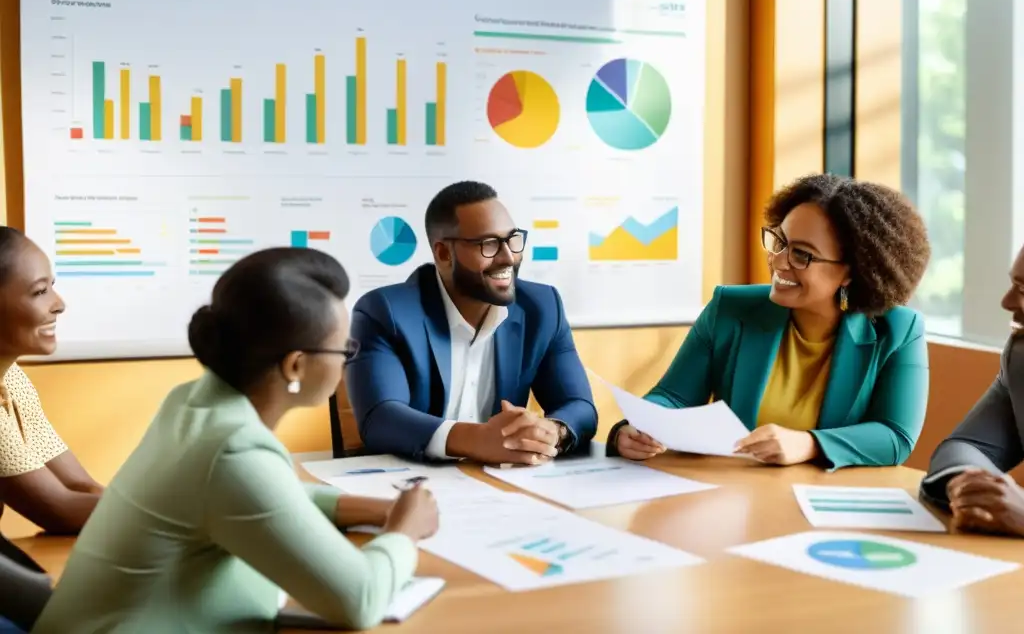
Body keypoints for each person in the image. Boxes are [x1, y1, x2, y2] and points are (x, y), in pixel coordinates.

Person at [35, 248, 439, 633]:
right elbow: (360, 600)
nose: (346, 360)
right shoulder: (233, 451)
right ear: (295, 365)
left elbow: (263, 496)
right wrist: (405, 531)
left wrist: (364, 507)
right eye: (343, 348)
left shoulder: (196, 403)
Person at [611, 173, 931, 470]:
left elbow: (895, 436)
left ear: (851, 271)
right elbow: (675, 396)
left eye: (802, 254)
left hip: (827, 503)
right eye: (779, 241)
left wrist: (809, 444)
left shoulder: (899, 330)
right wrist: (640, 426)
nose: (777, 261)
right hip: (734, 494)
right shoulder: (730, 308)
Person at [345, 181, 598, 464]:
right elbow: (380, 418)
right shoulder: (386, 312)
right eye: (488, 245)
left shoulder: (542, 307)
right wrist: (476, 440)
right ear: (442, 254)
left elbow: (580, 407)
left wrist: (553, 431)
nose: (508, 257)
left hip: (501, 483)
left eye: (512, 239)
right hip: (414, 484)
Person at [0, 227, 102, 535]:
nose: (59, 304)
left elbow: (79, 486)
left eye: (52, 287)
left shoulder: (13, 379)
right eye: (40, 291)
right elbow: (61, 510)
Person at [918, 243, 1024, 536]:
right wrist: (980, 489)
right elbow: (965, 447)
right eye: (1013, 284)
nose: (1007, 302)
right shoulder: (1020, 358)